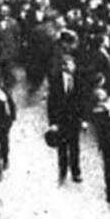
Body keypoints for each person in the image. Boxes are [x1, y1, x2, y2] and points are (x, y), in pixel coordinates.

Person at [48, 54, 86, 184]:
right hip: (61, 120)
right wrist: (52, 122)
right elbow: (51, 103)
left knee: (75, 147)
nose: (73, 67)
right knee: (62, 148)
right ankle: (62, 172)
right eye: (70, 64)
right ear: (64, 66)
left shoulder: (79, 80)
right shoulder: (55, 80)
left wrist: (84, 119)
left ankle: (76, 172)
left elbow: (82, 101)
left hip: (74, 120)